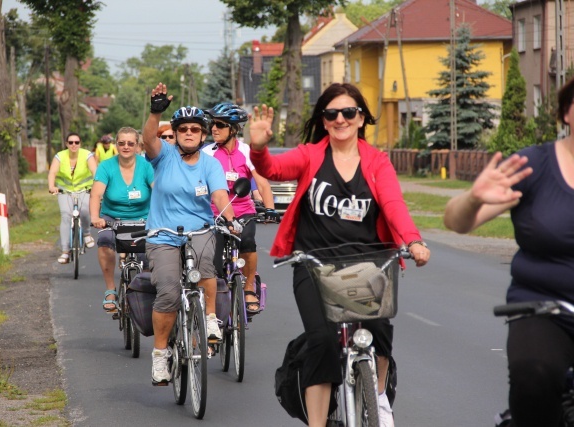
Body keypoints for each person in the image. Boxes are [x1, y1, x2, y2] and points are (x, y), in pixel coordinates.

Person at [248, 83, 430, 427]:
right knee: (321, 341)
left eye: (349, 112)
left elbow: (393, 205)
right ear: (324, 119)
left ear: (361, 118)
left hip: (368, 263)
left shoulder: (377, 162)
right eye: (332, 113)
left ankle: (377, 401)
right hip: (314, 264)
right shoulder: (310, 156)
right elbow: (272, 170)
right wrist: (258, 148)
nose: (341, 119)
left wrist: (414, 240)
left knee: (378, 327)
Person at [443, 78, 574, 427]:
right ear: (566, 113)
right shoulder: (532, 166)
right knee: (534, 377)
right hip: (544, 309)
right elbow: (457, 223)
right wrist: (472, 198)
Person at [142, 82, 241, 385]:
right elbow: (148, 140)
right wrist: (154, 113)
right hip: (162, 235)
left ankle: (210, 318)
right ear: (176, 131)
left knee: (206, 263)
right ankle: (160, 356)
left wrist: (230, 220)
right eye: (182, 128)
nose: (188, 132)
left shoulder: (210, 165)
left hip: (198, 230)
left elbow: (221, 196)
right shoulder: (164, 156)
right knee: (169, 291)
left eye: (194, 129)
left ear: (202, 134)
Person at [203, 102, 279, 315]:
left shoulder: (246, 151)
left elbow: (262, 183)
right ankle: (217, 296)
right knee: (214, 260)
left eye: (219, 124)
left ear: (233, 129)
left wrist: (270, 208)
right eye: (212, 124)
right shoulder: (207, 153)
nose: (213, 129)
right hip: (215, 213)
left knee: (248, 242)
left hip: (243, 210)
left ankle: (248, 287)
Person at [90, 127, 154, 312]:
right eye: (121, 143)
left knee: (149, 253)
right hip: (112, 218)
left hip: (144, 218)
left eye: (130, 143)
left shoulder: (146, 166)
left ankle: (147, 292)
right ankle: (110, 290)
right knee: (104, 241)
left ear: (137, 146)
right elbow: (96, 195)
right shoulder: (106, 166)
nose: (126, 146)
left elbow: (158, 190)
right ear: (116, 145)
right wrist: (95, 217)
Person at [48, 132, 98, 263]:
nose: (74, 145)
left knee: (86, 210)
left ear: (80, 144)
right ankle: (65, 251)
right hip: (65, 191)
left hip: (84, 190)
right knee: (65, 216)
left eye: (76, 142)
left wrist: (97, 186)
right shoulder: (60, 156)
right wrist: (52, 186)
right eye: (71, 142)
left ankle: (87, 234)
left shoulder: (87, 155)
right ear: (66, 144)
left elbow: (95, 171)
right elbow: (52, 172)